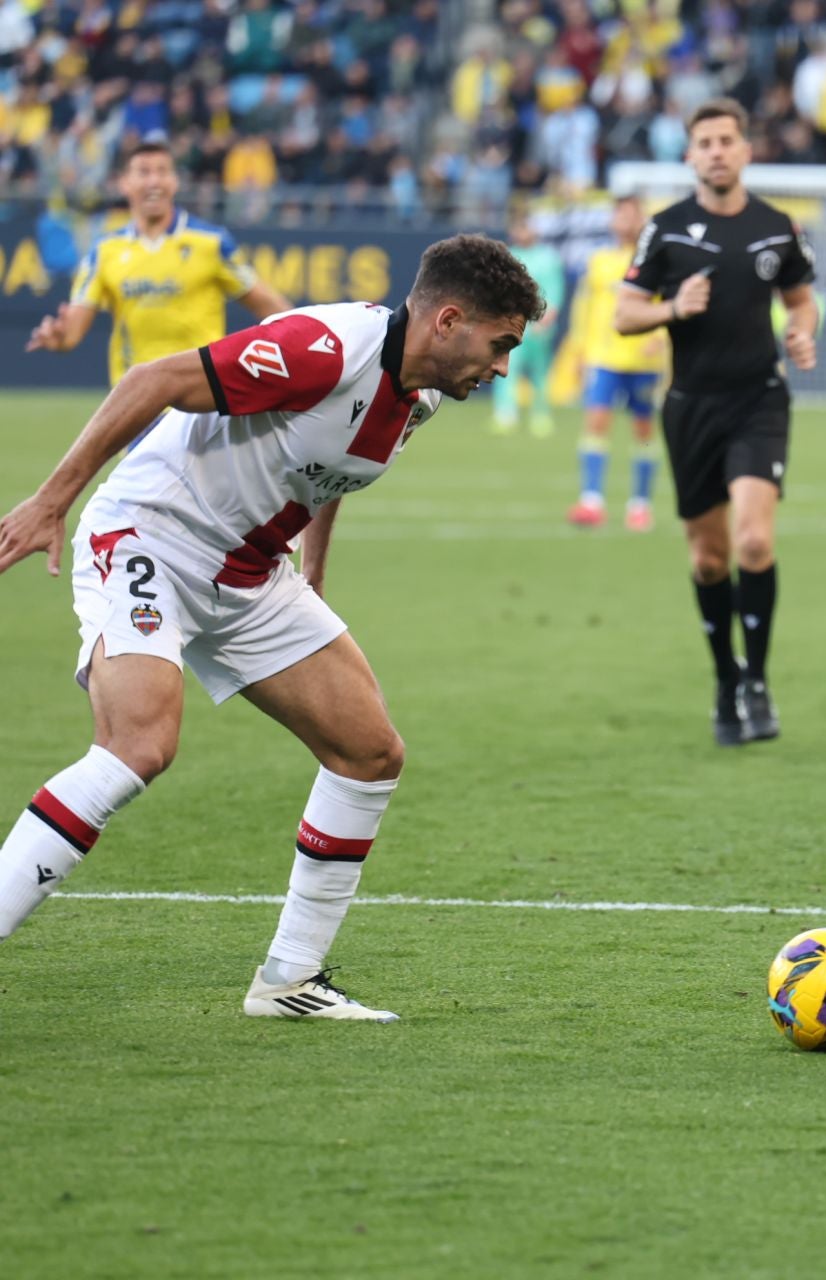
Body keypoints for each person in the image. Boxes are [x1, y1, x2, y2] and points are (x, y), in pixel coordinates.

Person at [0, 236, 546, 1021]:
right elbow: (153, 379)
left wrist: (312, 577)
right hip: (151, 533)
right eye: (500, 345)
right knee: (140, 746)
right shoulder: (324, 349)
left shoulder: (418, 394)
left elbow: (330, 475)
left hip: (250, 572)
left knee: (369, 752)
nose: (501, 367)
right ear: (450, 320)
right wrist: (52, 499)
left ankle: (289, 980)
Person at [613, 98, 819, 746]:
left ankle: (757, 680)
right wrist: (673, 306)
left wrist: (803, 335)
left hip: (759, 400)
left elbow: (801, 299)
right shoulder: (666, 229)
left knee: (755, 542)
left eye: (728, 139)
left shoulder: (776, 226)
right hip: (691, 406)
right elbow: (625, 313)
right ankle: (725, 682)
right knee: (710, 559)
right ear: (690, 155)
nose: (717, 151)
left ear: (746, 150)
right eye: (705, 142)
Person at [26, 142, 294, 386]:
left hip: (201, 406)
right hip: (136, 406)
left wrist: (302, 342)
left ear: (175, 182)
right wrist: (58, 337)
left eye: (162, 171)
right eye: (143, 172)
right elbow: (72, 333)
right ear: (124, 183)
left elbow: (271, 306)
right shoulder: (104, 251)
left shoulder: (211, 243)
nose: (154, 180)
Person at [568, 195, 670, 532]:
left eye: (631, 215)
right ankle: (591, 501)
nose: (624, 221)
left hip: (643, 359)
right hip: (603, 357)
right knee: (596, 422)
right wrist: (580, 349)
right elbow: (584, 307)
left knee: (643, 429)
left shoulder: (655, 260)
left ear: (642, 220)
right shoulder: (599, 261)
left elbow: (669, 305)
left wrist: (661, 338)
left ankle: (640, 505)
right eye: (620, 215)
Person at [494, 206, 566, 438]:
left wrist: (549, 317)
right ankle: (506, 413)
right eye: (518, 227)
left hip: (539, 326)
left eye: (525, 227)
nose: (522, 232)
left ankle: (541, 415)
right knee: (507, 368)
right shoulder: (507, 256)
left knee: (540, 372)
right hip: (511, 324)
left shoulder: (548, 257)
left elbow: (555, 290)